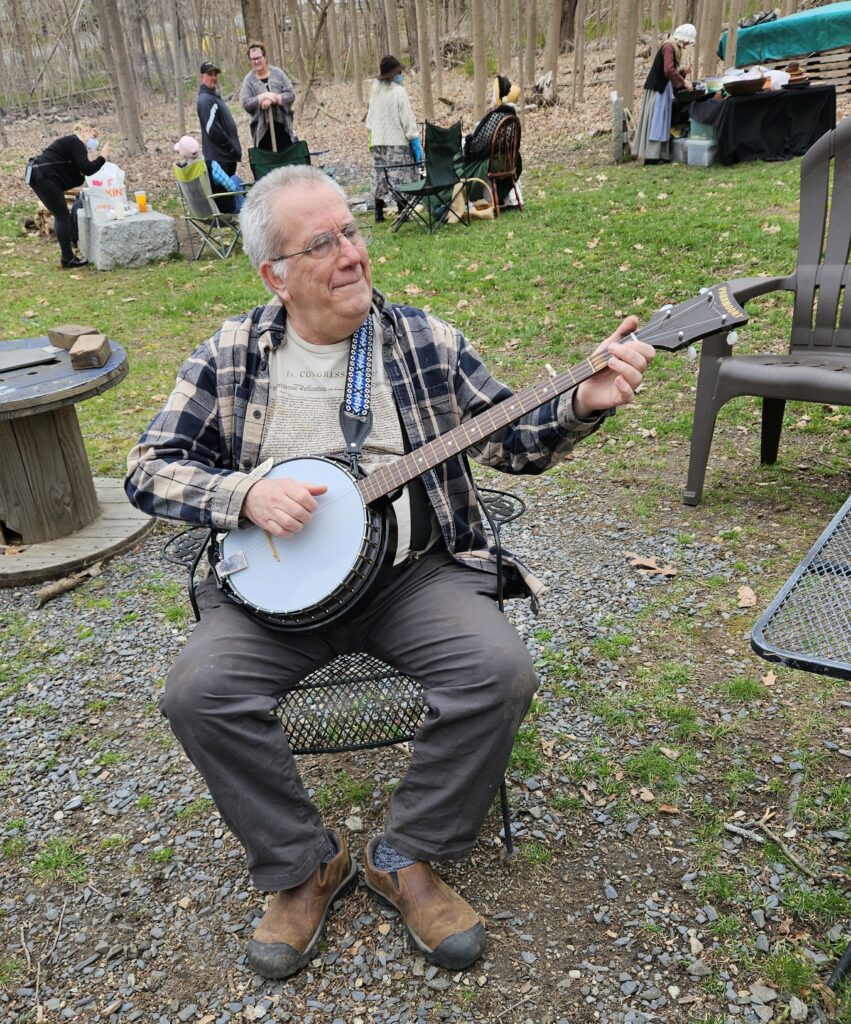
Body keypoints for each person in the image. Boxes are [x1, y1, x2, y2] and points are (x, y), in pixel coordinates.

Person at [125, 165, 654, 981]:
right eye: (323, 243)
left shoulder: (421, 339)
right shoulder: (232, 353)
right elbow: (148, 468)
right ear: (274, 273)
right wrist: (244, 493)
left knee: (497, 670)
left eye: (352, 231)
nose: (352, 255)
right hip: (269, 589)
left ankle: (406, 854)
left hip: (413, 573)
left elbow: (510, 440)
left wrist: (581, 402)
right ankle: (304, 865)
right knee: (199, 692)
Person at [26, 123, 109, 268]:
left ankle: (68, 256)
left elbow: (78, 174)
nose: (95, 142)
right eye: (93, 136)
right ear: (84, 131)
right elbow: (87, 169)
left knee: (61, 215)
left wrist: (82, 172)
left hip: (37, 174)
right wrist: (102, 157)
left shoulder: (72, 145)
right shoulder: (76, 142)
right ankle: (68, 258)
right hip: (43, 176)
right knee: (62, 216)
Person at [365, 55, 422, 223]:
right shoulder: (399, 92)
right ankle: (402, 210)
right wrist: (414, 139)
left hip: (378, 140)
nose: (401, 75)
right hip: (397, 141)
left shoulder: (375, 90)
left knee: (380, 176)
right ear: (392, 74)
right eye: (398, 72)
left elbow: (370, 119)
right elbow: (407, 119)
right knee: (400, 176)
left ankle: (378, 212)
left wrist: (372, 136)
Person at [632, 23, 696, 164]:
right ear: (682, 38)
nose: (686, 45)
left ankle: (659, 154)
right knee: (656, 122)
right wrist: (684, 83)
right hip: (657, 89)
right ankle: (651, 156)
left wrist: (684, 72)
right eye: (687, 42)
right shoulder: (669, 46)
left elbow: (670, 71)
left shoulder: (674, 47)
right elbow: (668, 70)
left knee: (661, 121)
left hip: (663, 89)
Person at [462, 74, 523, 208]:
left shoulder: (496, 116)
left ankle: (466, 197)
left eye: (494, 94)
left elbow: (477, 145)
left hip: (496, 163)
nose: (492, 97)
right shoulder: (512, 116)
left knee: (462, 161)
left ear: (500, 98)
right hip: (510, 161)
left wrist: (467, 142)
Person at [240, 42, 297, 152]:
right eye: (253, 59)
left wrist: (276, 99)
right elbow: (246, 103)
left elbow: (290, 94)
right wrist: (262, 98)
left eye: (258, 57)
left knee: (285, 162)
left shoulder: (278, 73)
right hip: (262, 132)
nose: (256, 61)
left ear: (265, 57)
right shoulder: (249, 80)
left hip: (283, 127)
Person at [173, 134, 244, 214]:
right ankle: (247, 213)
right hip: (223, 210)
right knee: (235, 179)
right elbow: (232, 188)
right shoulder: (210, 166)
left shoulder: (181, 171)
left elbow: (183, 194)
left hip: (199, 212)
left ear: (182, 153)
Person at [197, 60, 243, 177]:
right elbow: (212, 129)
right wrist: (230, 146)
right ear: (202, 77)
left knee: (229, 194)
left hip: (226, 158)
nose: (213, 77)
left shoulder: (213, 97)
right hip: (218, 159)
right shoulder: (205, 100)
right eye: (210, 74)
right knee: (222, 195)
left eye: (215, 74)